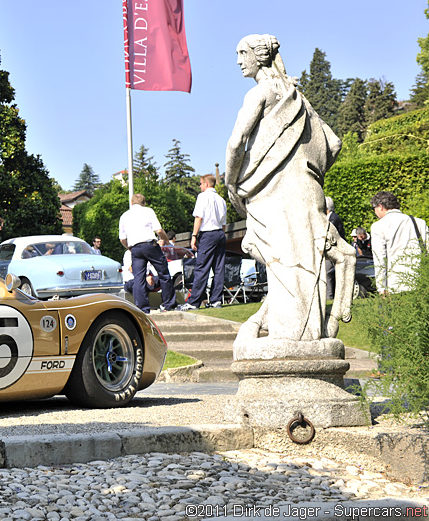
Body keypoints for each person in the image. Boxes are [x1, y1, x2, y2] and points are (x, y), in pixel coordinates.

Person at [225, 34, 355, 341]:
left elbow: (235, 144)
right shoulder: (300, 99)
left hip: (278, 195)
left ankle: (290, 335)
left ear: (259, 56)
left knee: (281, 260)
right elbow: (334, 144)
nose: (239, 60)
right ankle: (324, 326)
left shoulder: (261, 93)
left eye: (243, 53)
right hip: (309, 190)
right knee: (303, 256)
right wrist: (311, 171)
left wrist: (232, 184)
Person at [118, 194, 175, 314]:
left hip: (135, 248)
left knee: (139, 278)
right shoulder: (148, 211)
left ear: (131, 203)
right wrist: (166, 240)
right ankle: (168, 304)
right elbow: (158, 230)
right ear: (143, 203)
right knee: (163, 273)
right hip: (149, 245)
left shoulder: (124, 216)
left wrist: (130, 248)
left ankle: (143, 309)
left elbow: (122, 239)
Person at [182, 174, 227, 310]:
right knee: (219, 268)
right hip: (219, 233)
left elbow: (198, 217)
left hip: (207, 234)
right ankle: (215, 300)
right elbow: (224, 223)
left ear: (206, 184)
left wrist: (194, 235)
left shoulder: (202, 197)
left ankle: (194, 302)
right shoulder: (221, 200)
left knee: (202, 267)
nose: (200, 186)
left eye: (201, 184)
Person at [370, 191, 428, 294]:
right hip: (422, 282)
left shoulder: (378, 226)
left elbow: (380, 259)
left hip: (396, 285)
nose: (375, 213)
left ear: (380, 206)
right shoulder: (419, 223)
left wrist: (381, 287)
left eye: (374, 209)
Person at [324, 196, 346, 299]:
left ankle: (330, 296)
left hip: (335, 250)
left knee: (328, 273)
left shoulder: (333, 219)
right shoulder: (331, 218)